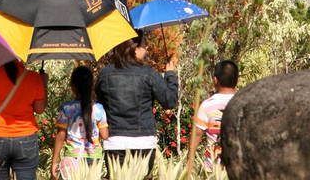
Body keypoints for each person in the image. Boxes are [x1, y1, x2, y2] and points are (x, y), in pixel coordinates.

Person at [94, 33, 178, 178]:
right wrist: (170, 75)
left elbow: (100, 107)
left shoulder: (105, 74)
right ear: (135, 48)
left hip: (114, 142)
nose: (146, 49)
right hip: (143, 142)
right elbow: (170, 101)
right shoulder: (149, 74)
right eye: (144, 45)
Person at [50, 65, 108, 179]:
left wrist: (54, 162)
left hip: (72, 158)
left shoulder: (66, 108)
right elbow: (105, 135)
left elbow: (61, 135)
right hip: (94, 158)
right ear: (92, 85)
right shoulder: (99, 108)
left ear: (72, 86)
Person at [187, 60, 239, 176]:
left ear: (215, 80)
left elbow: (197, 134)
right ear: (237, 80)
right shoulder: (242, 103)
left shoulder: (206, 106)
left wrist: (189, 160)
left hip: (212, 169)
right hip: (237, 167)